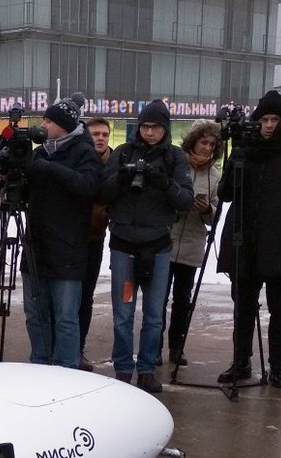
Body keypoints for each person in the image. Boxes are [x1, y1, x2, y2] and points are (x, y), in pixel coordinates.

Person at [216, 90, 281, 388]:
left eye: (275, 119)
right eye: (264, 119)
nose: (269, 125)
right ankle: (241, 361)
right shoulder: (247, 148)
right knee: (243, 306)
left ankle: (277, 365)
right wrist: (237, 154)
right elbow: (225, 193)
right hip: (244, 240)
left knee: (280, 307)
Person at [100, 100, 192, 391]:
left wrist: (163, 182)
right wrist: (122, 177)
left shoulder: (175, 157)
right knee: (123, 314)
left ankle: (147, 369)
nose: (149, 133)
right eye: (145, 126)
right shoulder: (124, 152)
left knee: (154, 315)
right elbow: (102, 195)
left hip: (158, 246)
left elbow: (186, 201)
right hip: (124, 245)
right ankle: (124, 369)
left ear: (165, 129)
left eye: (155, 127)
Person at [20, 97, 104, 370]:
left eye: (49, 121)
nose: (43, 125)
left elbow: (89, 186)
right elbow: (24, 195)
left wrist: (51, 169)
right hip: (36, 247)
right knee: (35, 314)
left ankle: (67, 369)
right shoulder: (40, 152)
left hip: (68, 250)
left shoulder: (83, 151)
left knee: (66, 317)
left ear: (64, 126)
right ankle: (40, 363)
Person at [163, 119, 221, 368]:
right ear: (192, 142)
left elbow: (215, 216)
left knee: (182, 300)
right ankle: (153, 346)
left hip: (192, 243)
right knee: (159, 298)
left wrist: (207, 208)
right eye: (203, 142)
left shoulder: (214, 176)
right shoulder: (176, 165)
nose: (207, 147)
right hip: (166, 241)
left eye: (211, 144)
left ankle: (177, 347)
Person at [79, 117, 113, 371]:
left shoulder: (115, 164)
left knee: (86, 297)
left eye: (104, 134)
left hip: (95, 238)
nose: (100, 138)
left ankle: (78, 347)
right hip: (70, 238)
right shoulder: (78, 160)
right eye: (95, 134)